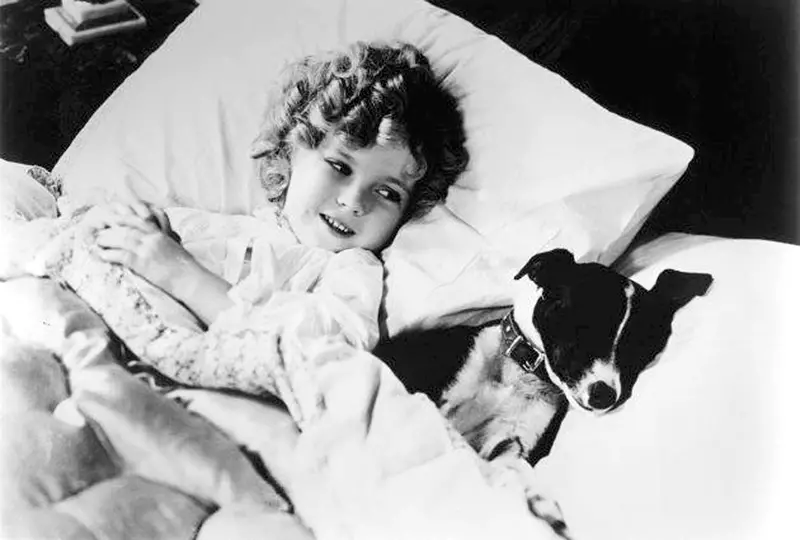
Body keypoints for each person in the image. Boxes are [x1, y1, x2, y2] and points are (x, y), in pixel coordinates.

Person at [69, 40, 470, 424]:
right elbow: (89, 233)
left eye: (387, 192)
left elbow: (315, 354)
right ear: (291, 150)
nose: (354, 201)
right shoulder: (216, 226)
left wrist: (181, 274)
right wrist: (121, 226)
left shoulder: (349, 273)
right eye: (340, 167)